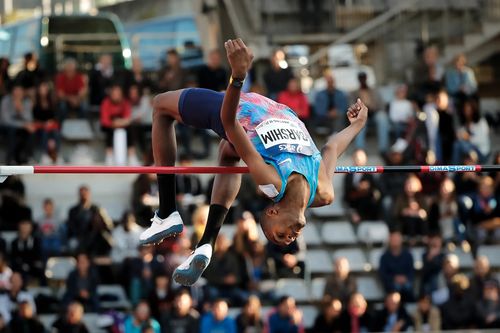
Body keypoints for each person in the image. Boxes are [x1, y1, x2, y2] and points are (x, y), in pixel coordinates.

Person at [140, 39, 367, 287]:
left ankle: (187, 228)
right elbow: (331, 147)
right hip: (260, 109)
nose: (289, 238)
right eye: (281, 236)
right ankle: (186, 227)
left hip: (258, 111)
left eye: (280, 236)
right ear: (272, 211)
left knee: (195, 129)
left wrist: (237, 78)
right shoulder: (312, 191)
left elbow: (230, 124)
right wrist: (356, 126)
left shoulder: (297, 186)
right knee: (196, 129)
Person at [351, 71, 389, 154]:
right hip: (361, 113)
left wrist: (375, 108)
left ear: (366, 78)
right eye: (361, 78)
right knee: (360, 122)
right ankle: (359, 148)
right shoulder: (354, 93)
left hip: (375, 112)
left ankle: (383, 148)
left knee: (382, 118)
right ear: (359, 79)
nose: (362, 80)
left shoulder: (374, 91)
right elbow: (350, 105)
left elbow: (381, 104)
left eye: (363, 78)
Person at [100, 84, 139, 166]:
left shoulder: (125, 102)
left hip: (122, 124)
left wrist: (119, 122)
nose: (116, 96)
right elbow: (105, 120)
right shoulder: (106, 102)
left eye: (118, 94)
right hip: (110, 126)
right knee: (108, 130)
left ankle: (131, 155)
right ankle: (109, 156)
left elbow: (128, 118)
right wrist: (114, 123)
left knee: (131, 129)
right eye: (114, 94)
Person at [343, 149, 381, 223]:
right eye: (357, 158)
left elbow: (375, 189)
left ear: (365, 160)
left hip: (366, 202)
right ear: (353, 159)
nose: (359, 161)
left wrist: (367, 188)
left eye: (362, 159)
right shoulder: (349, 175)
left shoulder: (369, 174)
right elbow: (347, 191)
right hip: (353, 201)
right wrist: (358, 188)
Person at [0, 84, 35, 164]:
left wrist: (21, 110)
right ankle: (10, 159)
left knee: (31, 131)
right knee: (12, 131)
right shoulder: (6, 101)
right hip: (6, 127)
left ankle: (25, 157)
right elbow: (6, 121)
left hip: (21, 128)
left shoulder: (27, 102)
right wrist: (22, 125)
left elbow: (29, 119)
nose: (18, 94)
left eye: (20, 91)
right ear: (12, 92)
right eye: (16, 91)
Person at [452, 97, 491, 164]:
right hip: (469, 152)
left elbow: (483, 140)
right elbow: (460, 137)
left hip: (482, 153)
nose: (466, 111)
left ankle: (453, 170)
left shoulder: (481, 122)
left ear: (473, 109)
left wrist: (468, 138)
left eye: (468, 109)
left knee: (459, 144)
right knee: (458, 144)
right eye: (465, 109)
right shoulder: (463, 125)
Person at [378, 231, 415, 301]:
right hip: (391, 284)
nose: (395, 242)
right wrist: (394, 278)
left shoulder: (408, 255)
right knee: (395, 287)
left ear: (401, 240)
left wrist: (405, 278)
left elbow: (411, 271)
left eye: (397, 239)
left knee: (408, 287)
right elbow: (382, 273)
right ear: (389, 241)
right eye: (393, 240)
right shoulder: (384, 257)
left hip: (406, 282)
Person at [33, 80, 61, 164]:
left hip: (51, 126)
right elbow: (34, 118)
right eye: (42, 88)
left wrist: (50, 122)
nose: (44, 90)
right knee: (45, 132)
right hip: (40, 126)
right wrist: (44, 123)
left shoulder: (51, 101)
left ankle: (56, 154)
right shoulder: (35, 102)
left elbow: (55, 116)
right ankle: (44, 154)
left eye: (45, 88)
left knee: (56, 132)